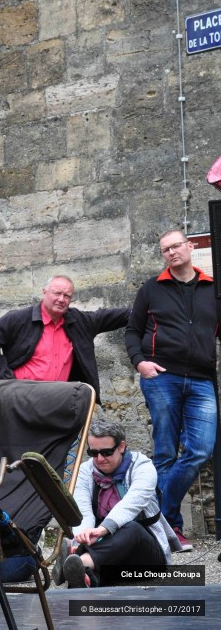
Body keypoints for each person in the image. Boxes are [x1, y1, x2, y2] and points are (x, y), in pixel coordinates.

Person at [125, 229, 218, 551]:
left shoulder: (212, 289)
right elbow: (133, 330)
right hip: (161, 376)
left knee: (200, 451)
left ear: (190, 247)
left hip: (202, 379)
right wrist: (139, 362)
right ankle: (172, 529)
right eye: (165, 249)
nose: (171, 252)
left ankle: (159, 520)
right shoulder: (152, 288)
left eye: (176, 246)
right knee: (165, 452)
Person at [53, 419, 179, 588]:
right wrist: (83, 535)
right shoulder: (85, 470)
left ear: (121, 447)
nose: (99, 458)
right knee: (92, 557)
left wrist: (103, 529)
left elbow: (132, 503)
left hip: (145, 556)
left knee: (132, 527)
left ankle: (79, 561)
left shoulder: (143, 466)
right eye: (93, 452)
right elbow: (82, 509)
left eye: (106, 452)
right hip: (107, 556)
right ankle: (84, 576)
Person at [0, 276, 130, 403]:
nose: (61, 299)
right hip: (22, 398)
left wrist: (144, 309)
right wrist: (5, 380)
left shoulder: (78, 321)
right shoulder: (19, 318)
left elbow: (112, 316)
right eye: (57, 293)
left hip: (59, 399)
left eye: (67, 296)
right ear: (44, 293)